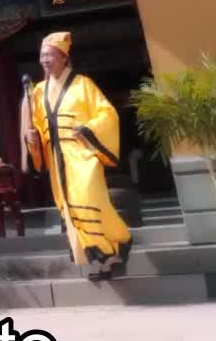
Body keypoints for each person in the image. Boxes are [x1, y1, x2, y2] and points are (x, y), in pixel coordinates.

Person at [20, 30, 132, 280]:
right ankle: (105, 261)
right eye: (42, 55)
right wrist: (32, 139)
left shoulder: (83, 85)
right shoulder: (38, 91)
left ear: (63, 57)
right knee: (73, 210)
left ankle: (119, 241)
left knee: (91, 201)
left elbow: (108, 114)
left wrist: (88, 129)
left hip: (82, 155)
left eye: (50, 55)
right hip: (57, 159)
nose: (45, 60)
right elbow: (36, 127)